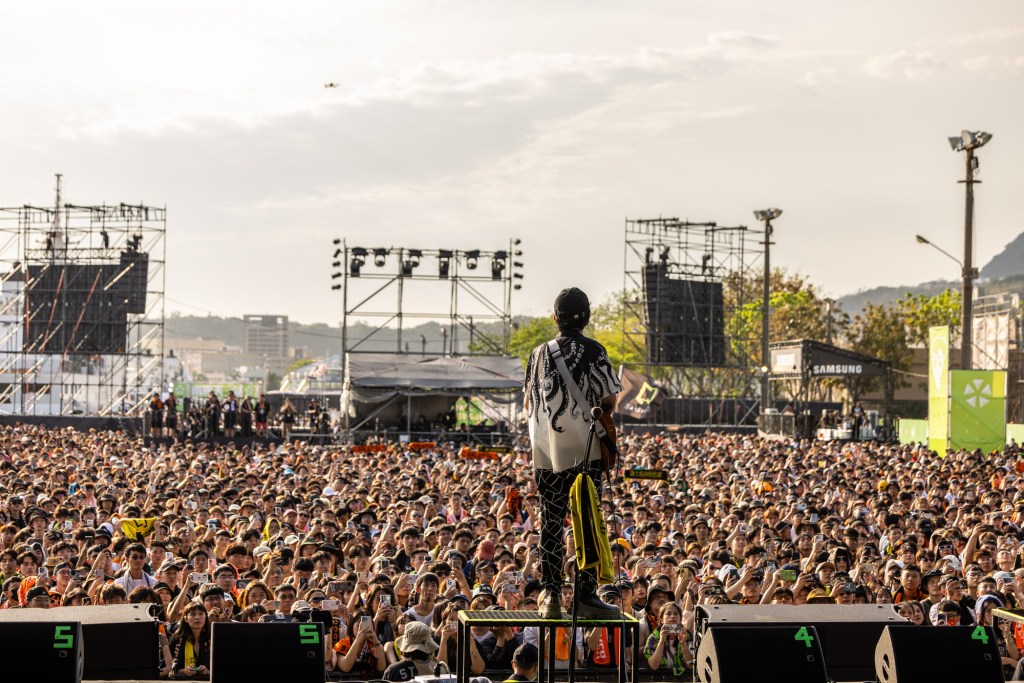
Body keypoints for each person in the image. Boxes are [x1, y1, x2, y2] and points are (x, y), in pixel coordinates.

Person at [524, 287, 622, 619]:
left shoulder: (537, 354)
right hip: (585, 450)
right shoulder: (594, 350)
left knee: (550, 522)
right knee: (588, 520)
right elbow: (608, 401)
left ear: (555, 318)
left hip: (545, 452)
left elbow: (529, 402)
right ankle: (586, 596)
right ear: (587, 318)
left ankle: (551, 595)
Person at [168, 602, 211, 679]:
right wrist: (182, 671)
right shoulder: (177, 640)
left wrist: (208, 671)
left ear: (206, 617)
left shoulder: (213, 639)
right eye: (193, 614)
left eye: (201, 614)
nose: (197, 617)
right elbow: (168, 668)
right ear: (185, 619)